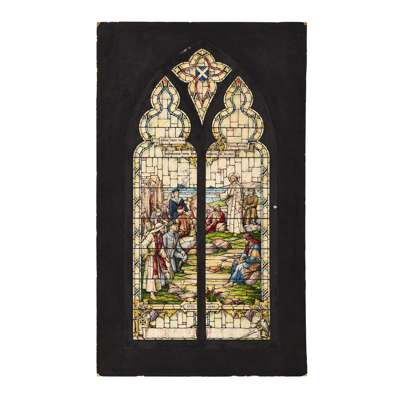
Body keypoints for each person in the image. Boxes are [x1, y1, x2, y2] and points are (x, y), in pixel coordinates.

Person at [142, 223, 168, 300]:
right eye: (163, 228)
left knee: (156, 274)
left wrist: (165, 256)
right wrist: (147, 253)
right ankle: (151, 292)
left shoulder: (160, 237)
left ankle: (155, 290)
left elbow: (161, 248)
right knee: (151, 274)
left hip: (157, 257)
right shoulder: (151, 235)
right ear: (159, 229)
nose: (164, 229)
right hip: (151, 258)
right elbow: (143, 245)